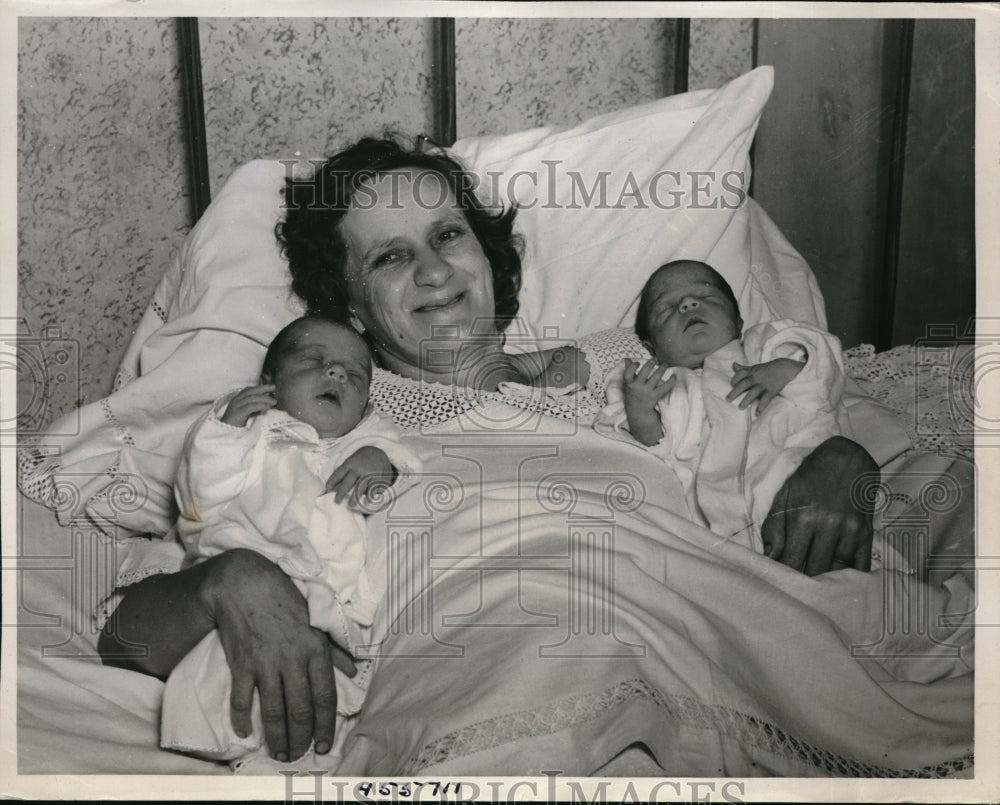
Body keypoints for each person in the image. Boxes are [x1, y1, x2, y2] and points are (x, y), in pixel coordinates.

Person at [98, 137, 879, 765]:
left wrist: (842, 456)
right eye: (390, 257)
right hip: (501, 660)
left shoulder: (627, 362)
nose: (434, 269)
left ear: (488, 256)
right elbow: (127, 635)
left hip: (701, 626)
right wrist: (226, 583)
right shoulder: (327, 423)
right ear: (351, 307)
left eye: (446, 236)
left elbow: (762, 419)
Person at [159, 316, 421, 765]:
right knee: (229, 675)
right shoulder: (253, 434)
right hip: (253, 579)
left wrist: (382, 460)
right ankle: (231, 742)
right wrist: (228, 429)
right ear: (269, 385)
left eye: (354, 374)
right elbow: (199, 499)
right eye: (314, 361)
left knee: (332, 691)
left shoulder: (361, 440)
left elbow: (405, 464)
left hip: (332, 597)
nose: (337, 373)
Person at [594, 259, 851, 553]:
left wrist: (785, 370)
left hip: (798, 482)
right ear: (652, 346)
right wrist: (639, 410)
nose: (689, 303)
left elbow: (824, 376)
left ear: (738, 322)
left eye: (707, 296)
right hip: (715, 524)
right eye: (666, 307)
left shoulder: (765, 347)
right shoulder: (658, 383)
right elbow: (651, 450)